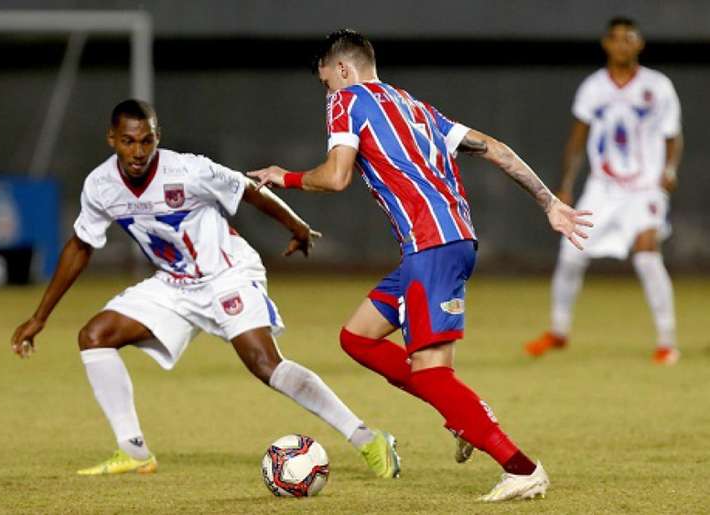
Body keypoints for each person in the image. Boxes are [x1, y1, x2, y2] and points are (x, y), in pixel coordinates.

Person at [249, 29, 592, 502]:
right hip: (443, 244)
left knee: (431, 373)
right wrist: (549, 201)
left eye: (326, 80)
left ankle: (522, 467)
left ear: (343, 70)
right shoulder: (413, 106)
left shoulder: (346, 100)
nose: (327, 91)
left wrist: (281, 178)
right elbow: (493, 147)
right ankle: (462, 408)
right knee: (358, 337)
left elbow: (336, 176)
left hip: (435, 245)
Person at [10, 99, 400, 478]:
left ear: (157, 137)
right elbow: (80, 246)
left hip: (227, 273)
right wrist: (39, 317)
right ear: (111, 138)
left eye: (147, 140)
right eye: (129, 141)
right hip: (174, 286)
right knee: (94, 336)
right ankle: (133, 452)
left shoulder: (188, 170)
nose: (138, 150)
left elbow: (250, 189)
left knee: (265, 364)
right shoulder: (100, 185)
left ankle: (368, 438)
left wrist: (296, 227)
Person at [524, 17, 683, 365]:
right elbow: (577, 140)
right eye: (616, 39)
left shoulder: (658, 86)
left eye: (629, 39)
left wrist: (669, 170)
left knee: (646, 253)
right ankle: (559, 331)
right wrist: (565, 185)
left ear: (639, 44)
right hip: (604, 187)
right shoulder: (594, 87)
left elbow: (673, 137)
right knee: (571, 252)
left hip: (645, 187)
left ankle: (667, 340)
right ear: (606, 44)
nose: (622, 44)